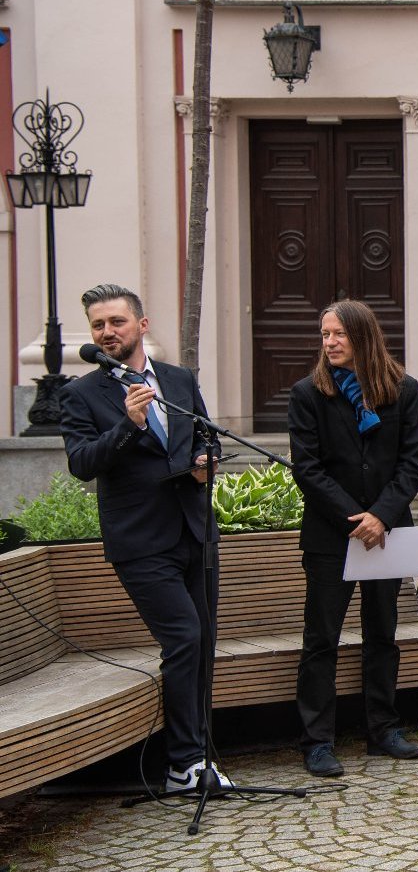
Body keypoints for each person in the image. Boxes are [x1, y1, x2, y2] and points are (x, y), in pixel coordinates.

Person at [59, 283, 229, 793]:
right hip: (140, 541)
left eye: (116, 322)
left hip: (194, 529)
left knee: (202, 645)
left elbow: (205, 434)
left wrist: (206, 461)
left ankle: (198, 757)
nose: (107, 332)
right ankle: (182, 763)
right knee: (183, 638)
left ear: (142, 324)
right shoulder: (82, 393)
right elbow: (81, 463)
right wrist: (129, 426)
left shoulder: (178, 380)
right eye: (98, 325)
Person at [289, 299, 418, 777]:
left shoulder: (402, 390)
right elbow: (307, 469)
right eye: (325, 335)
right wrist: (357, 518)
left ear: (362, 337)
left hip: (387, 534)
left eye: (338, 335)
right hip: (332, 535)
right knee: (321, 640)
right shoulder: (308, 393)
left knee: (383, 633)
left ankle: (383, 730)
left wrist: (383, 516)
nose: (329, 343)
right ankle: (317, 741)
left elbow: (412, 463)